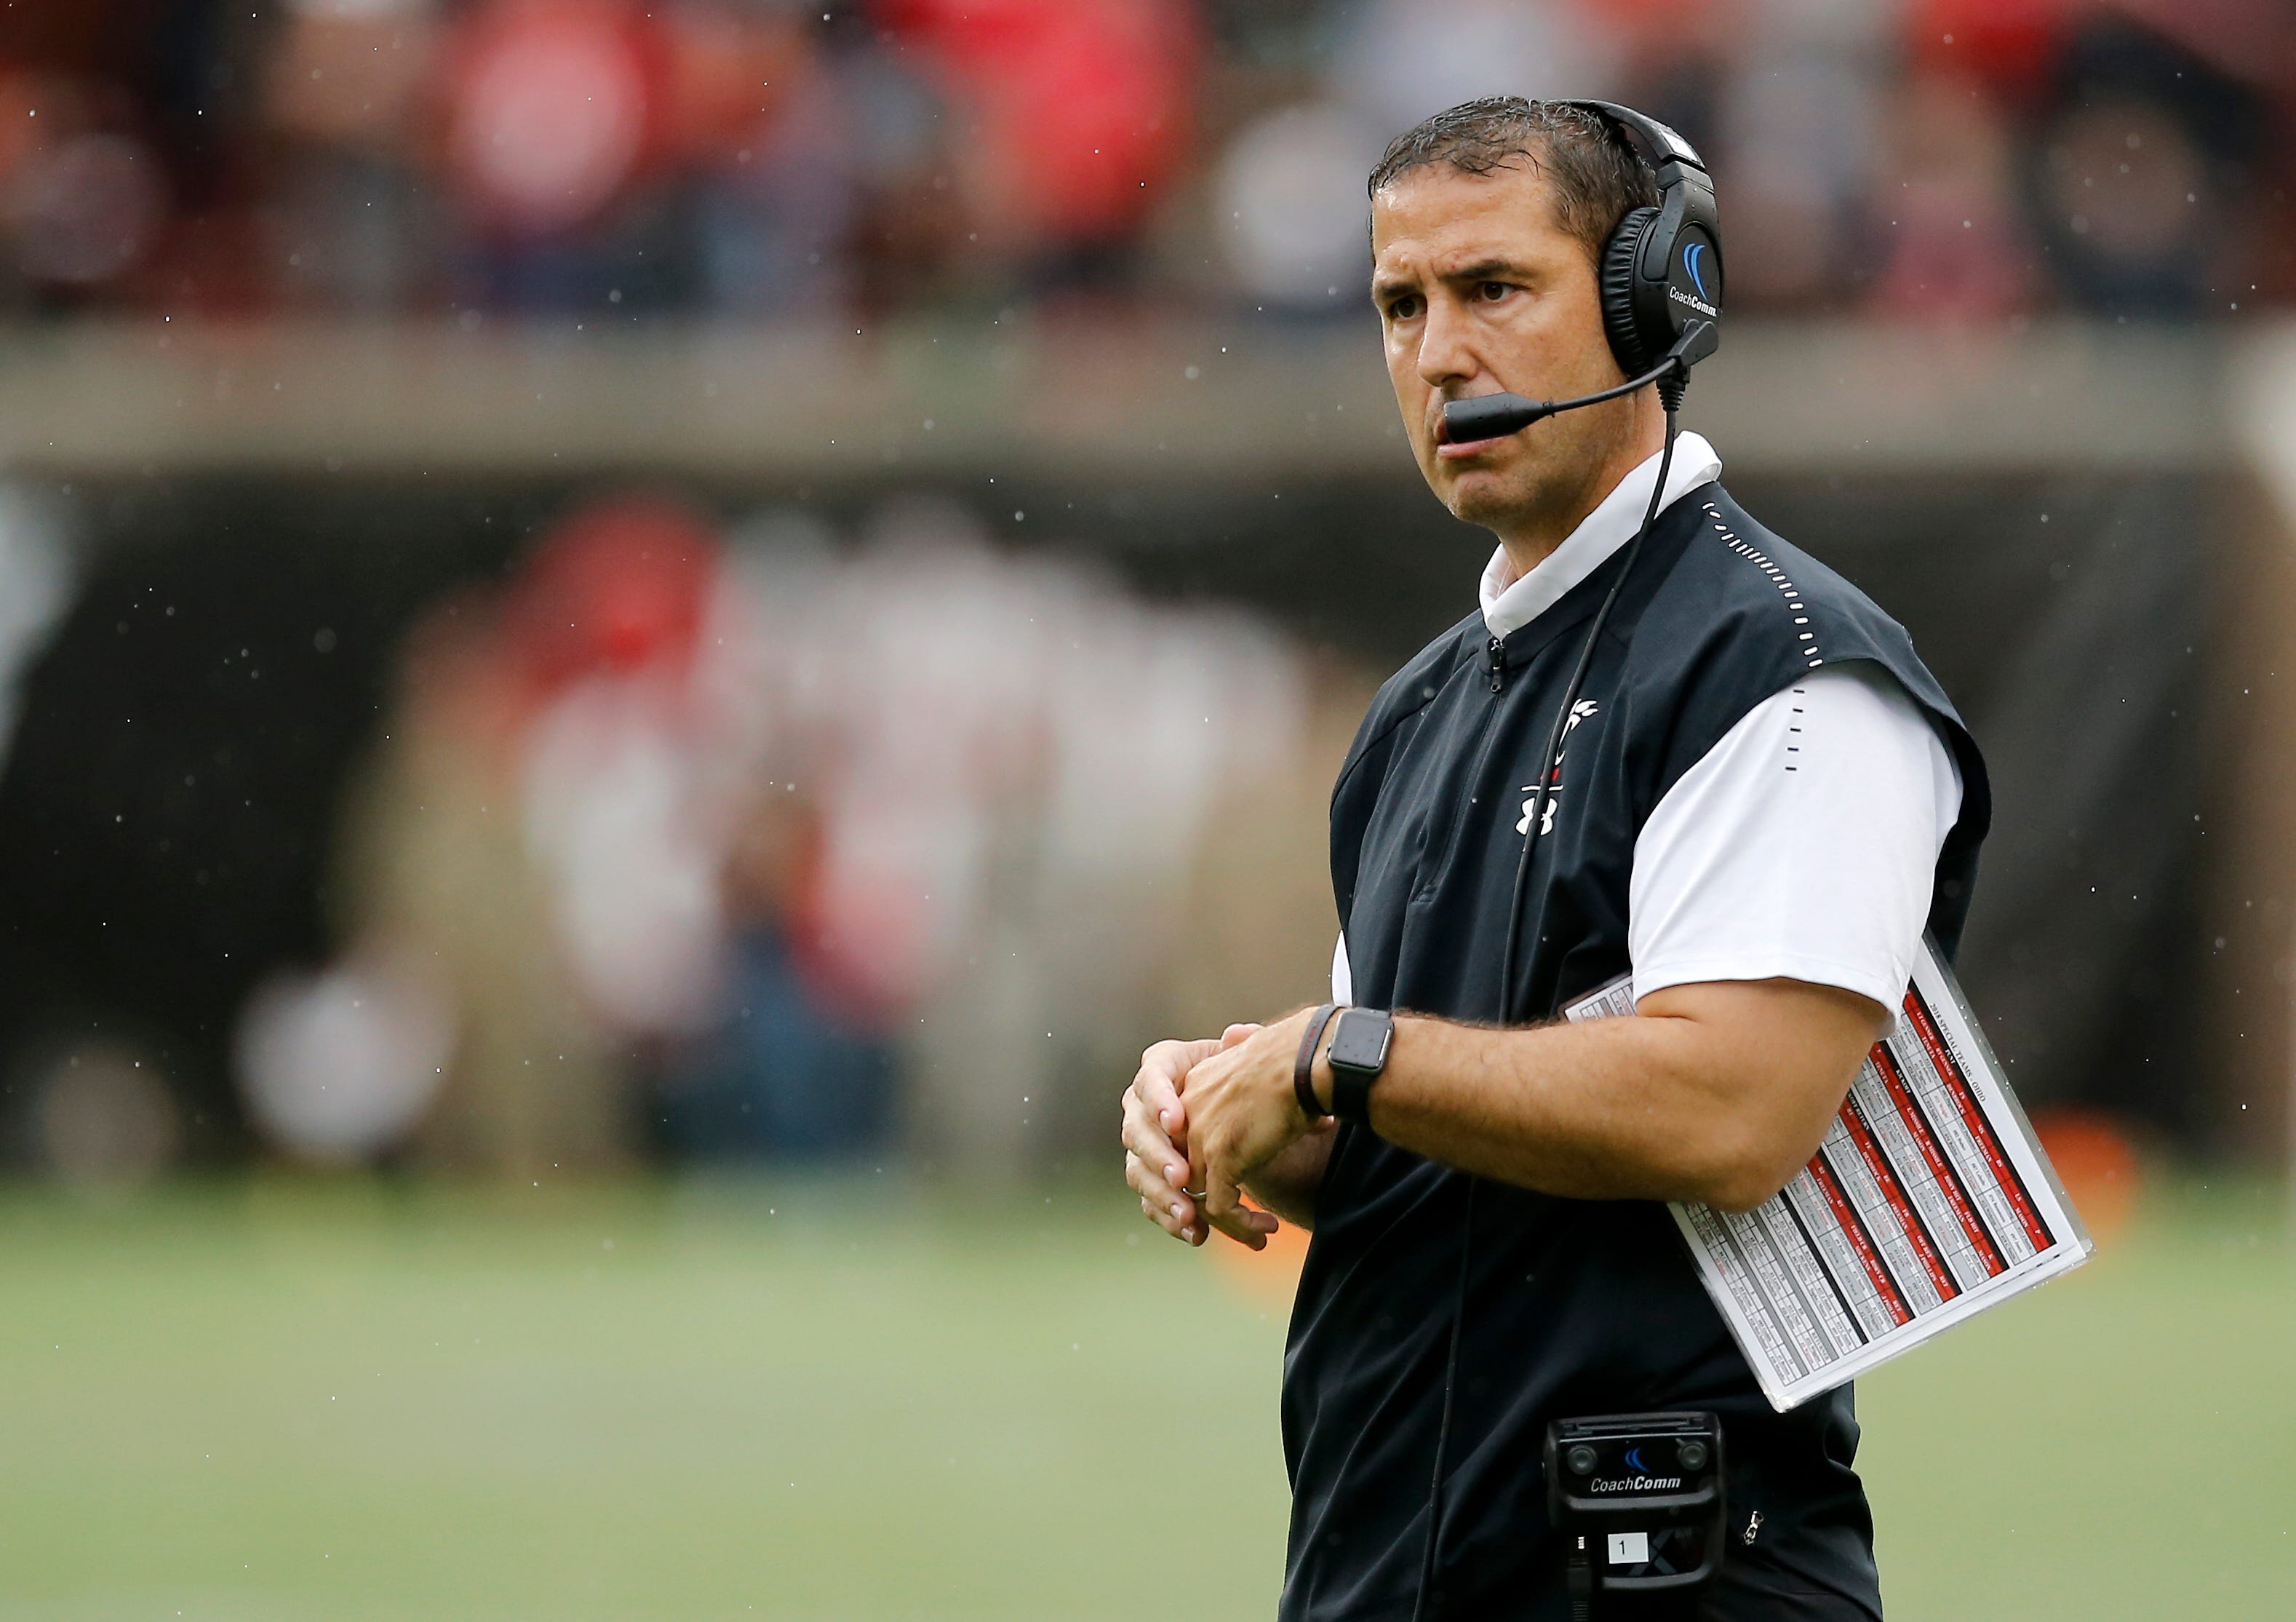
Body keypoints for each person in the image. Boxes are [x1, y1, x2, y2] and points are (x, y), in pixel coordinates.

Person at [1119, 98, 1990, 1620]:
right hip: (1400, 1558)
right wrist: (1242, 1098)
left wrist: (1340, 1053)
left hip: (1664, 1577)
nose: (1440, 352)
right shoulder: (1419, 710)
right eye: (1402, 304)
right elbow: (1427, 1127)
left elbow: (1731, 1107)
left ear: (1663, 296)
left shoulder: (1784, 666)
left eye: (1495, 289)